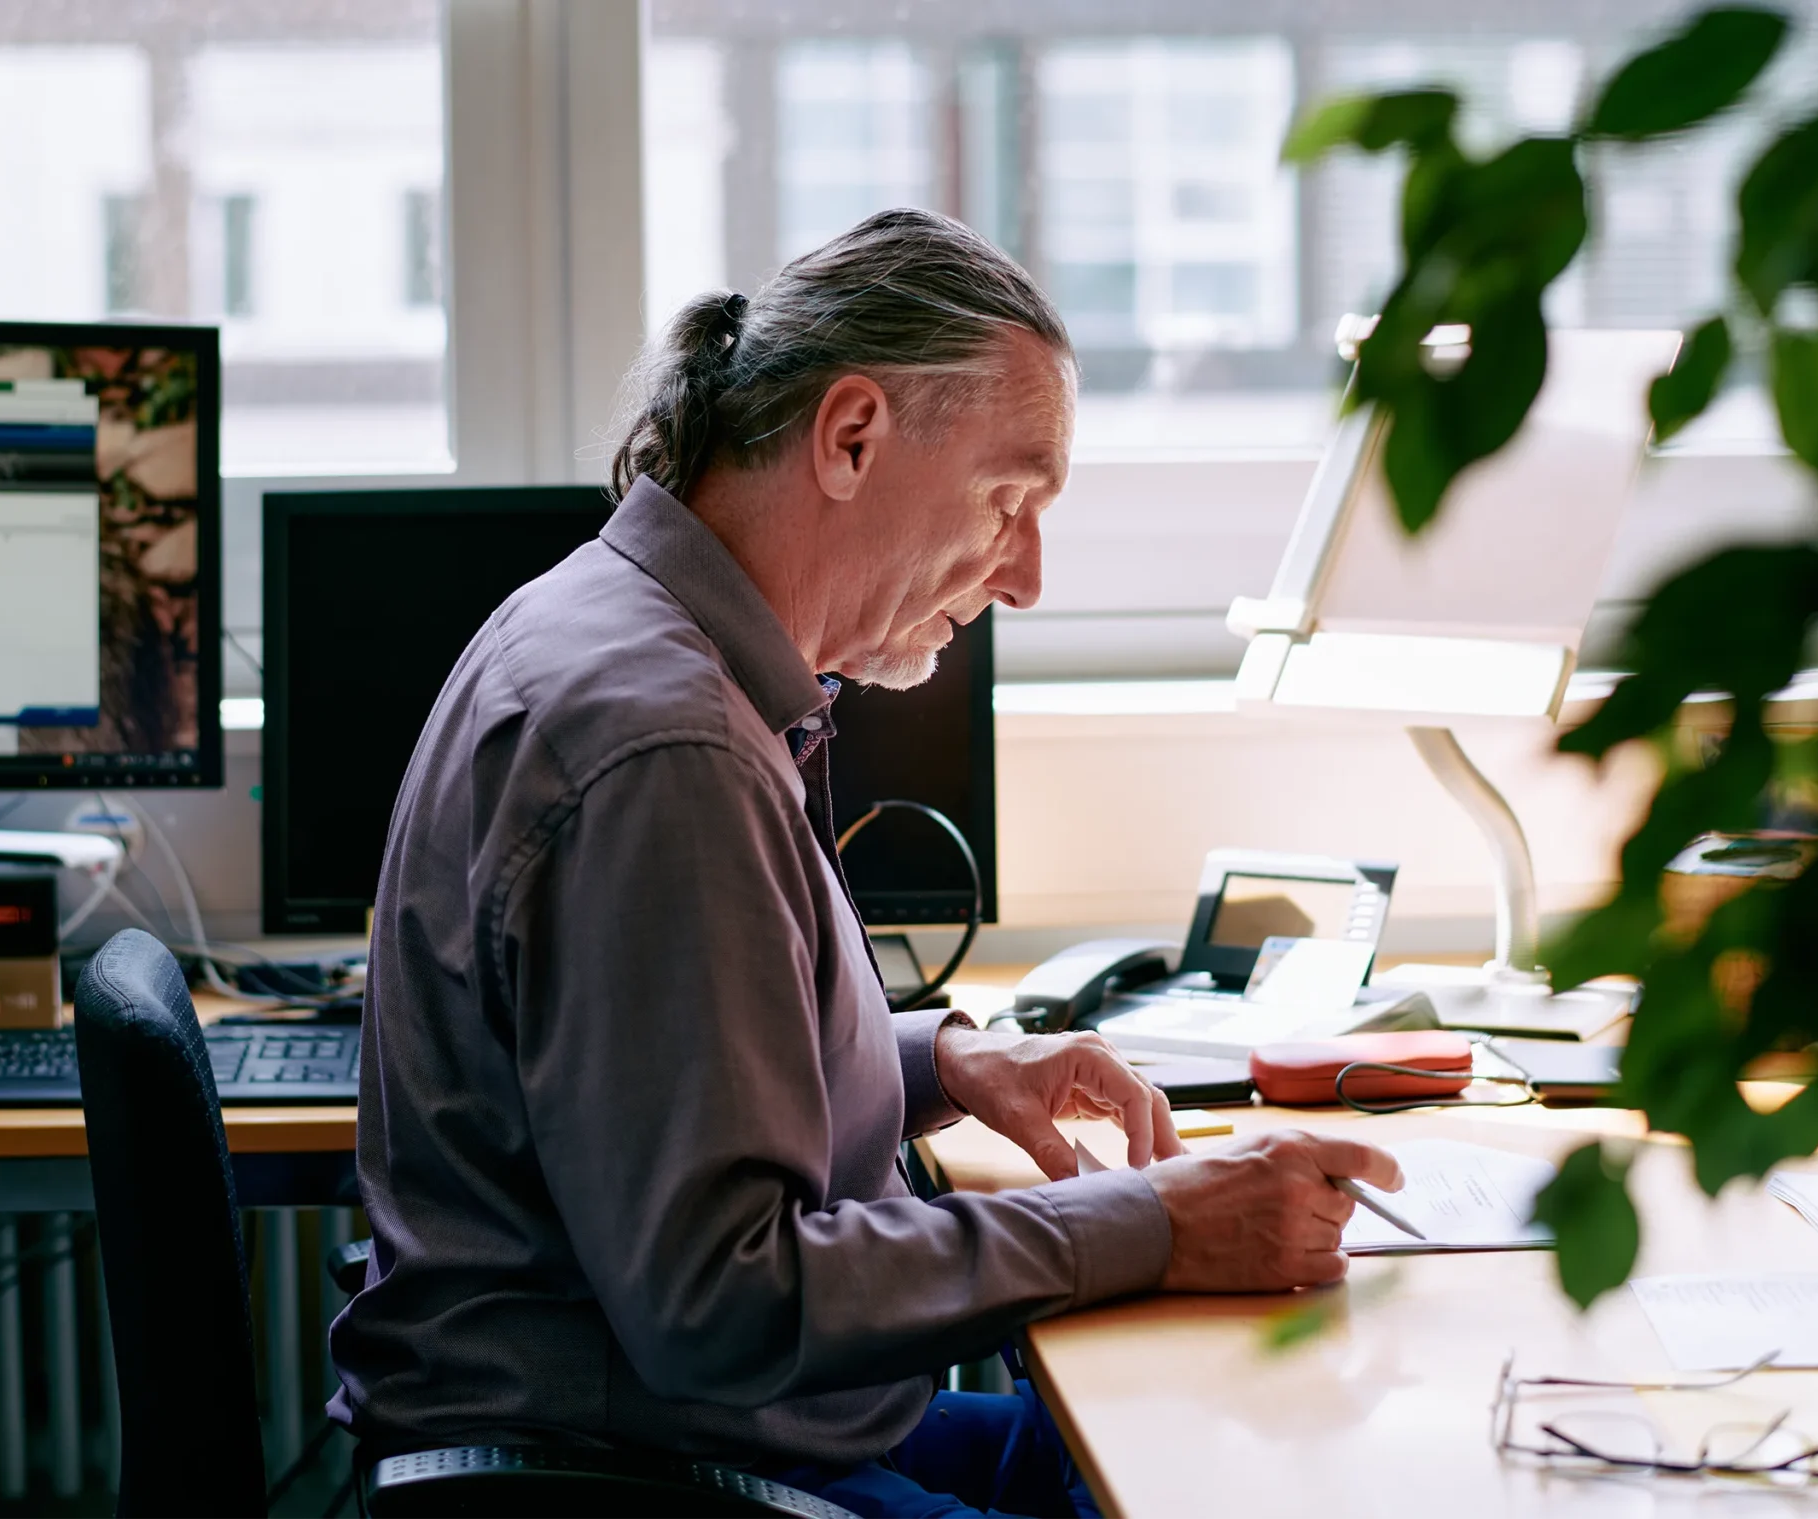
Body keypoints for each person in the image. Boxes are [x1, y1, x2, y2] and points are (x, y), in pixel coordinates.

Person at [328, 208, 1404, 1519]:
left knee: (1159, 1445)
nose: (1029, 577)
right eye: (1010, 501)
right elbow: (724, 1299)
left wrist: (938, 1060)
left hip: (670, 1424)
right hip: (630, 1469)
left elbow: (656, 1090)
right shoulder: (664, 745)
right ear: (850, 438)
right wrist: (1161, 1220)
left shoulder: (632, 636)